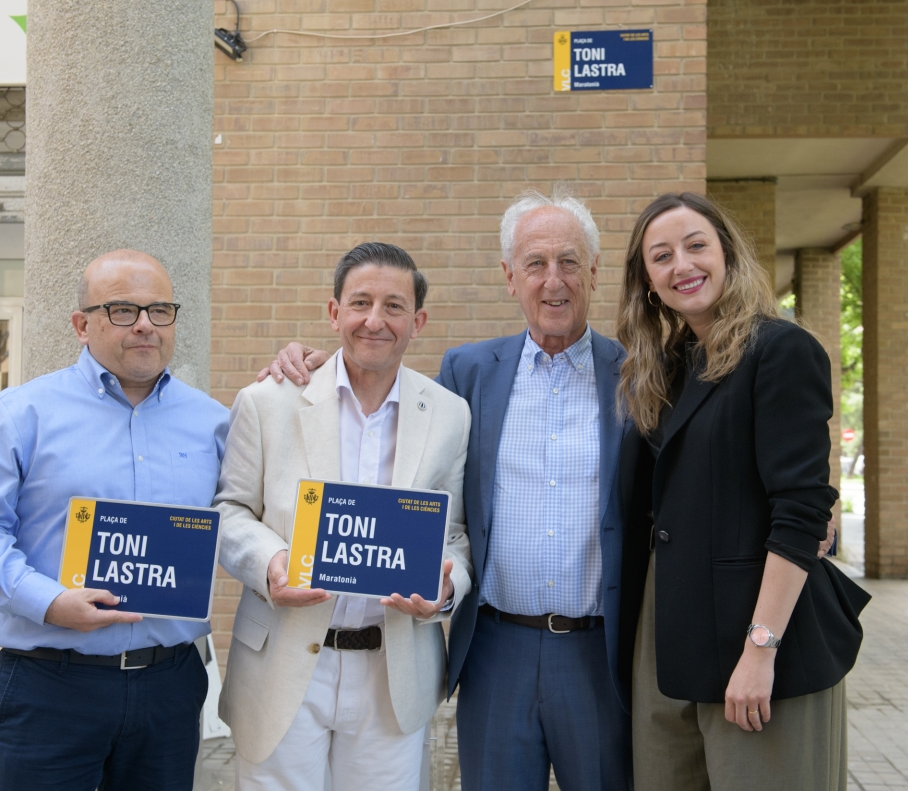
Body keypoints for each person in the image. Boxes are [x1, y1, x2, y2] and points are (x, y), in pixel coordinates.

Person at [265, 189, 634, 791]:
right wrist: (305, 363)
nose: (553, 280)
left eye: (569, 262)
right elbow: (394, 428)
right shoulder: (467, 373)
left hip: (597, 653)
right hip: (495, 648)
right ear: (509, 276)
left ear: (593, 271)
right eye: (535, 264)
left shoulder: (636, 374)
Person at [0, 250, 230, 790]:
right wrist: (47, 601)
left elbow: (242, 519)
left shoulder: (213, 422)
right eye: (122, 309)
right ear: (81, 324)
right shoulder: (23, 412)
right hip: (50, 684)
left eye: (160, 310)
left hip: (169, 685)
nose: (145, 324)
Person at [614, 193, 871, 790]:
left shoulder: (780, 351)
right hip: (669, 635)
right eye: (662, 255)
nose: (683, 264)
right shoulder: (666, 369)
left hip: (760, 634)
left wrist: (761, 650)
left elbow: (802, 509)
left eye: (696, 245)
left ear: (727, 254)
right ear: (648, 281)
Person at [215, 243, 472, 790]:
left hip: (392, 668)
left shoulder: (449, 413)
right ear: (334, 313)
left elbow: (453, 535)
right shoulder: (268, 401)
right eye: (360, 303)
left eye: (394, 307)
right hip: (284, 663)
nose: (374, 321)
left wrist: (443, 591)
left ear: (418, 321)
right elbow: (231, 511)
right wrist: (270, 562)